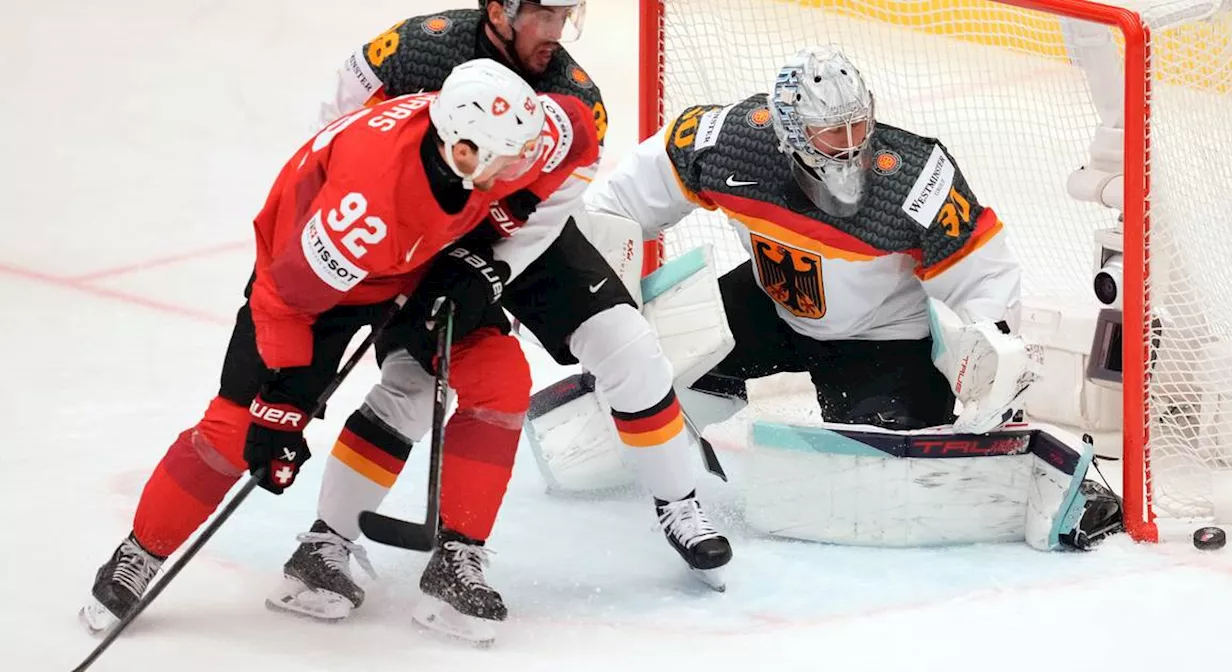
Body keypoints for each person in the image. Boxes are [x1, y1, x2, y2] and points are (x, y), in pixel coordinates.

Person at [79, 58, 599, 635]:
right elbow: (287, 299)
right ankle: (138, 556)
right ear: (460, 151)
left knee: (500, 378)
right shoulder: (366, 207)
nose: (520, 168)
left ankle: (455, 560)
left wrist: (499, 234)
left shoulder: (505, 137)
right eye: (506, 164)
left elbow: (579, 135)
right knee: (238, 431)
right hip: (311, 283)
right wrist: (282, 405)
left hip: (419, 261)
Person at [268, 0, 732, 634]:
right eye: (545, 15)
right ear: (499, 9)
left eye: (567, 16)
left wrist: (494, 267)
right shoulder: (417, 47)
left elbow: (559, 196)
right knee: (411, 385)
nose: (557, 33)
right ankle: (325, 544)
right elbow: (340, 137)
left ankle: (679, 502)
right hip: (418, 237)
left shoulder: (576, 97)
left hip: (518, 234)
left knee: (629, 346)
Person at [574, 44, 1122, 549]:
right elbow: (619, 205)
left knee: (878, 482)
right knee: (654, 369)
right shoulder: (725, 141)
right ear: (789, 131)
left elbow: (984, 276)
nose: (853, 143)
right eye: (831, 132)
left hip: (882, 338)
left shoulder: (914, 177)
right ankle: (638, 458)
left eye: (859, 123)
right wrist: (595, 297)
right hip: (769, 303)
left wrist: (988, 362)